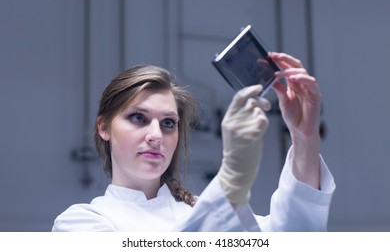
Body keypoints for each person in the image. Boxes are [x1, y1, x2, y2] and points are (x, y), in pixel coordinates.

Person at [52, 52, 335, 232]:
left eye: (168, 123)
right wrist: (232, 179)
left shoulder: (206, 210)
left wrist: (304, 137)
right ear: (104, 127)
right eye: (138, 118)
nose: (155, 135)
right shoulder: (80, 223)